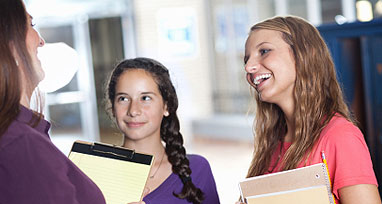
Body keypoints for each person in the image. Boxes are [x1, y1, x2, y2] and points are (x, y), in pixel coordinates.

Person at [239, 16, 381, 204]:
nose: (249, 67)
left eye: (264, 51)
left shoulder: (339, 136)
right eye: (247, 59)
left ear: (303, 55)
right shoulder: (271, 143)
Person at [0, 0, 106, 203]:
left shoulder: (23, 135)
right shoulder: (22, 144)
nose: (41, 41)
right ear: (10, 45)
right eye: (30, 25)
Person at [105, 57, 220, 204]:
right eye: (123, 99)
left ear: (166, 106)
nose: (133, 111)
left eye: (145, 98)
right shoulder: (94, 174)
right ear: (113, 108)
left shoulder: (197, 169)